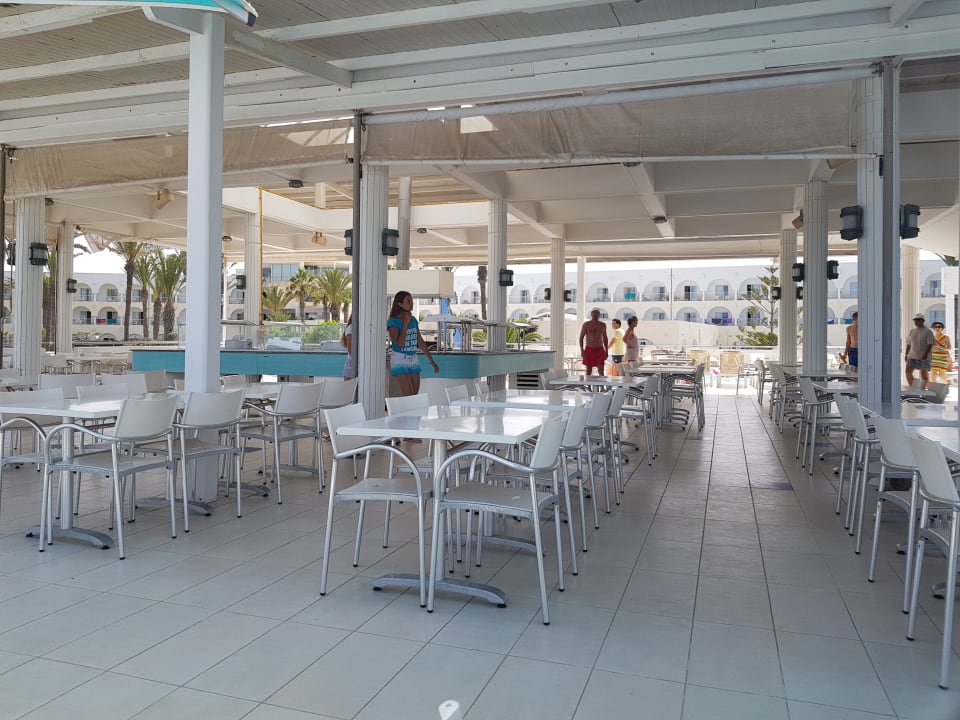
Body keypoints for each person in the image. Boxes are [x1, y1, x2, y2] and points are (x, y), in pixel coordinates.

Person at [387, 290, 439, 396]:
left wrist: (431, 360)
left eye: (412, 301)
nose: (412, 304)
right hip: (400, 359)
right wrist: (405, 324)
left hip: (413, 358)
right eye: (408, 301)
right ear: (400, 304)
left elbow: (420, 341)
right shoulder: (393, 322)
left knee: (414, 395)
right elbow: (400, 344)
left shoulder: (413, 320)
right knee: (409, 395)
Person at [905, 312, 935, 390]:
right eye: (915, 320)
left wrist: (925, 354)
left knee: (924, 375)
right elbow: (908, 344)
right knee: (908, 372)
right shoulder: (912, 331)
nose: (915, 321)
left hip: (924, 357)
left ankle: (923, 390)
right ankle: (913, 389)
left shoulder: (928, 331)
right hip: (912, 356)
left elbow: (930, 344)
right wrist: (906, 354)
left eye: (917, 320)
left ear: (922, 320)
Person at [579, 309, 608, 375]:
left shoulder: (602, 325)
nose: (595, 315)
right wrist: (582, 350)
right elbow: (581, 337)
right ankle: (588, 382)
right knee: (588, 371)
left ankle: (601, 382)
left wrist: (606, 350)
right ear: (591, 315)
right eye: (594, 314)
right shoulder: (586, 324)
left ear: (599, 315)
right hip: (589, 349)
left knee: (601, 371)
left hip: (600, 349)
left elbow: (605, 338)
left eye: (596, 314)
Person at [340, 316, 355, 380]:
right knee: (349, 384)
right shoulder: (350, 328)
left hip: (352, 362)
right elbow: (350, 349)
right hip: (351, 362)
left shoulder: (354, 327)